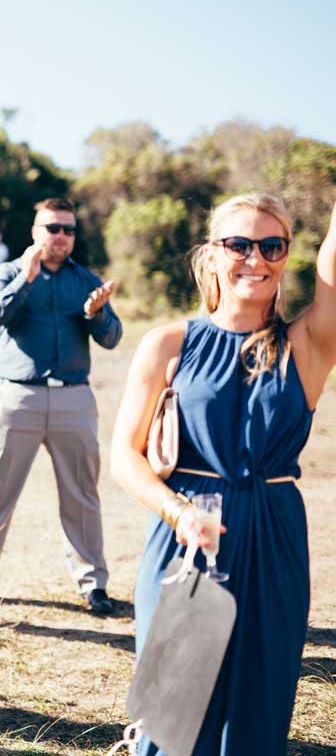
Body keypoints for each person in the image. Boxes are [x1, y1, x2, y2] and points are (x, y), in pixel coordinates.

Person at [109, 193, 336, 754]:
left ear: (286, 257)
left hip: (274, 536)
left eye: (271, 246)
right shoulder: (169, 343)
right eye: (238, 244)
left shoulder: (305, 345)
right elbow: (124, 457)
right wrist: (178, 511)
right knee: (171, 718)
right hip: (188, 537)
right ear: (211, 255)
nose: (254, 259)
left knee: (257, 710)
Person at [0, 198, 120, 615]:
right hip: (18, 396)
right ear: (35, 231)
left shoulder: (86, 280)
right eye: (53, 228)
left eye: (68, 229)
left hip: (74, 397)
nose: (61, 236)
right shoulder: (8, 272)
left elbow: (113, 337)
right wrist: (25, 279)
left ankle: (93, 584)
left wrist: (97, 314)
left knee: (82, 494)